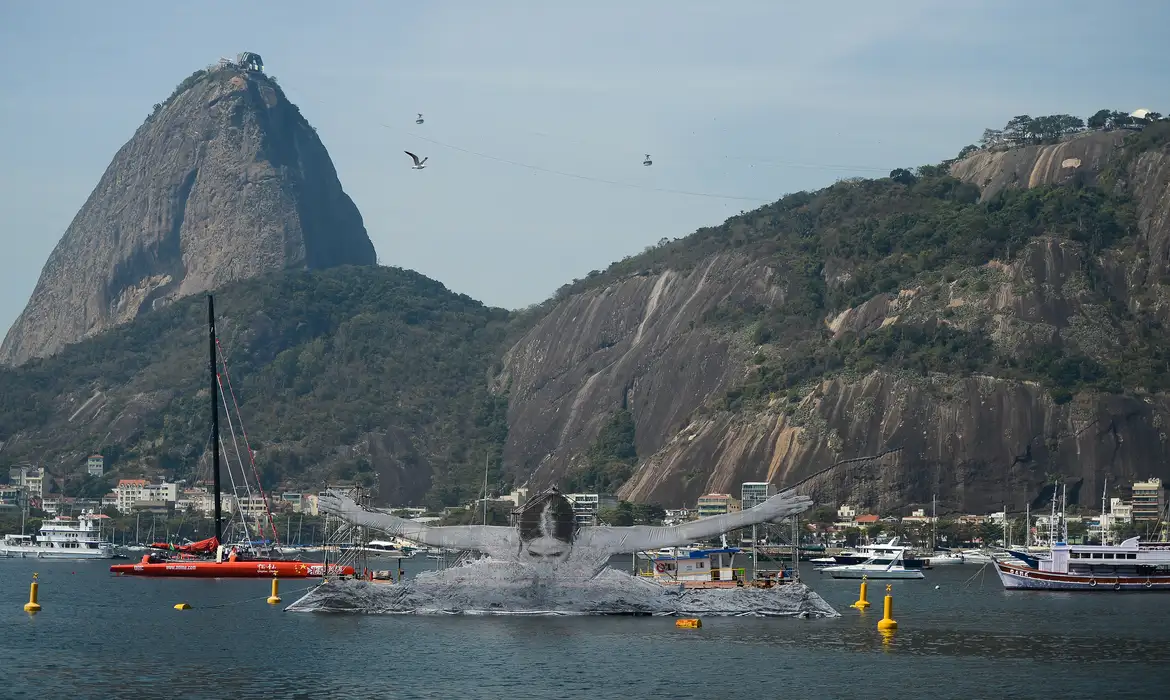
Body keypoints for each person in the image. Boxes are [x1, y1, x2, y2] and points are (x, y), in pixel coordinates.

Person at [318, 486, 812, 577]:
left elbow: (685, 533)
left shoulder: (602, 541)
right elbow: (415, 531)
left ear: (576, 538)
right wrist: (359, 517)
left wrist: (754, 514)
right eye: (541, 555)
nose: (549, 562)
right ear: (520, 539)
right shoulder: (495, 540)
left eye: (558, 554)